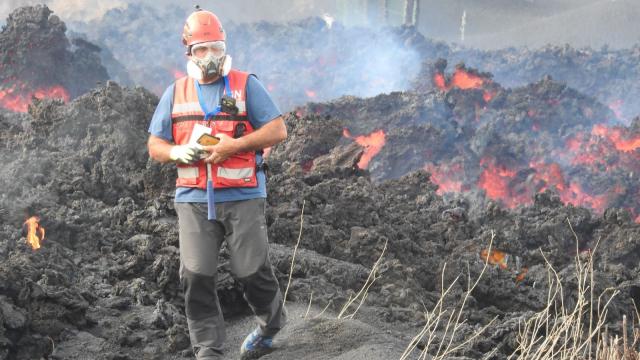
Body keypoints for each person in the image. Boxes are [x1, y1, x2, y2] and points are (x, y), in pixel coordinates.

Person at [147, 6, 287, 360]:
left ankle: (270, 324)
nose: (210, 56)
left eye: (216, 47)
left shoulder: (245, 85)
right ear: (189, 53)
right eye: (202, 49)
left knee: (251, 270)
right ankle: (208, 349)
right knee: (196, 275)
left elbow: (278, 129)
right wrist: (179, 153)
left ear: (225, 48)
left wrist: (234, 146)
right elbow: (155, 145)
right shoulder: (175, 93)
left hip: (243, 196)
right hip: (193, 200)